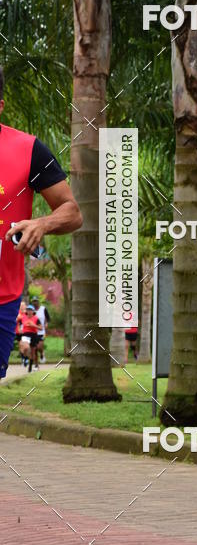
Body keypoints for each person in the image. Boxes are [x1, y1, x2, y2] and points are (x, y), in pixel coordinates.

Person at [0, 66, 83, 379]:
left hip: (3, 297)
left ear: (0, 106)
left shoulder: (28, 149)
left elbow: (72, 211)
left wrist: (42, 224)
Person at [20, 304, 42, 372]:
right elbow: (19, 324)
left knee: (33, 352)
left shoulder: (36, 318)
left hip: (33, 335)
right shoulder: (23, 317)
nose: (29, 311)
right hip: (25, 334)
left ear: (33, 311)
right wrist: (19, 329)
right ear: (26, 311)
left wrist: (33, 325)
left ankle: (30, 367)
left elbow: (41, 328)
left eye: (30, 310)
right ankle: (25, 358)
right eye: (28, 310)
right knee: (25, 347)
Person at [31, 296, 50, 364]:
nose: (35, 303)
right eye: (33, 301)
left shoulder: (43, 309)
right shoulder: (31, 310)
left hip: (42, 331)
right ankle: (36, 364)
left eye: (36, 301)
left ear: (38, 301)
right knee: (35, 348)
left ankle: (42, 354)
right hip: (33, 331)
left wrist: (46, 324)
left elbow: (48, 318)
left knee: (39, 346)